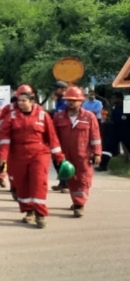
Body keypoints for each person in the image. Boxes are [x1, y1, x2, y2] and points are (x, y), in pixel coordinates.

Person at [0, 88, 65, 228]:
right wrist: (3, 157)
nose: (20, 103)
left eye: (24, 101)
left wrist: (58, 156)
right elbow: (4, 138)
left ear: (32, 102)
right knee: (22, 183)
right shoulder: (11, 117)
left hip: (39, 153)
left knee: (39, 182)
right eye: (19, 101)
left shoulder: (43, 115)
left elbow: (52, 137)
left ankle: (40, 214)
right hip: (18, 154)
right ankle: (29, 211)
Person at [52, 87, 102, 218]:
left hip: (83, 155)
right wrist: (55, 154)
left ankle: (80, 204)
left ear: (81, 101)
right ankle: (76, 201)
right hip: (65, 155)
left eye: (74, 100)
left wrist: (97, 153)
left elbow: (95, 136)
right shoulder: (58, 117)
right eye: (68, 100)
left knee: (83, 178)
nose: (71, 102)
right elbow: (54, 137)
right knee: (71, 179)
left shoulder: (89, 117)